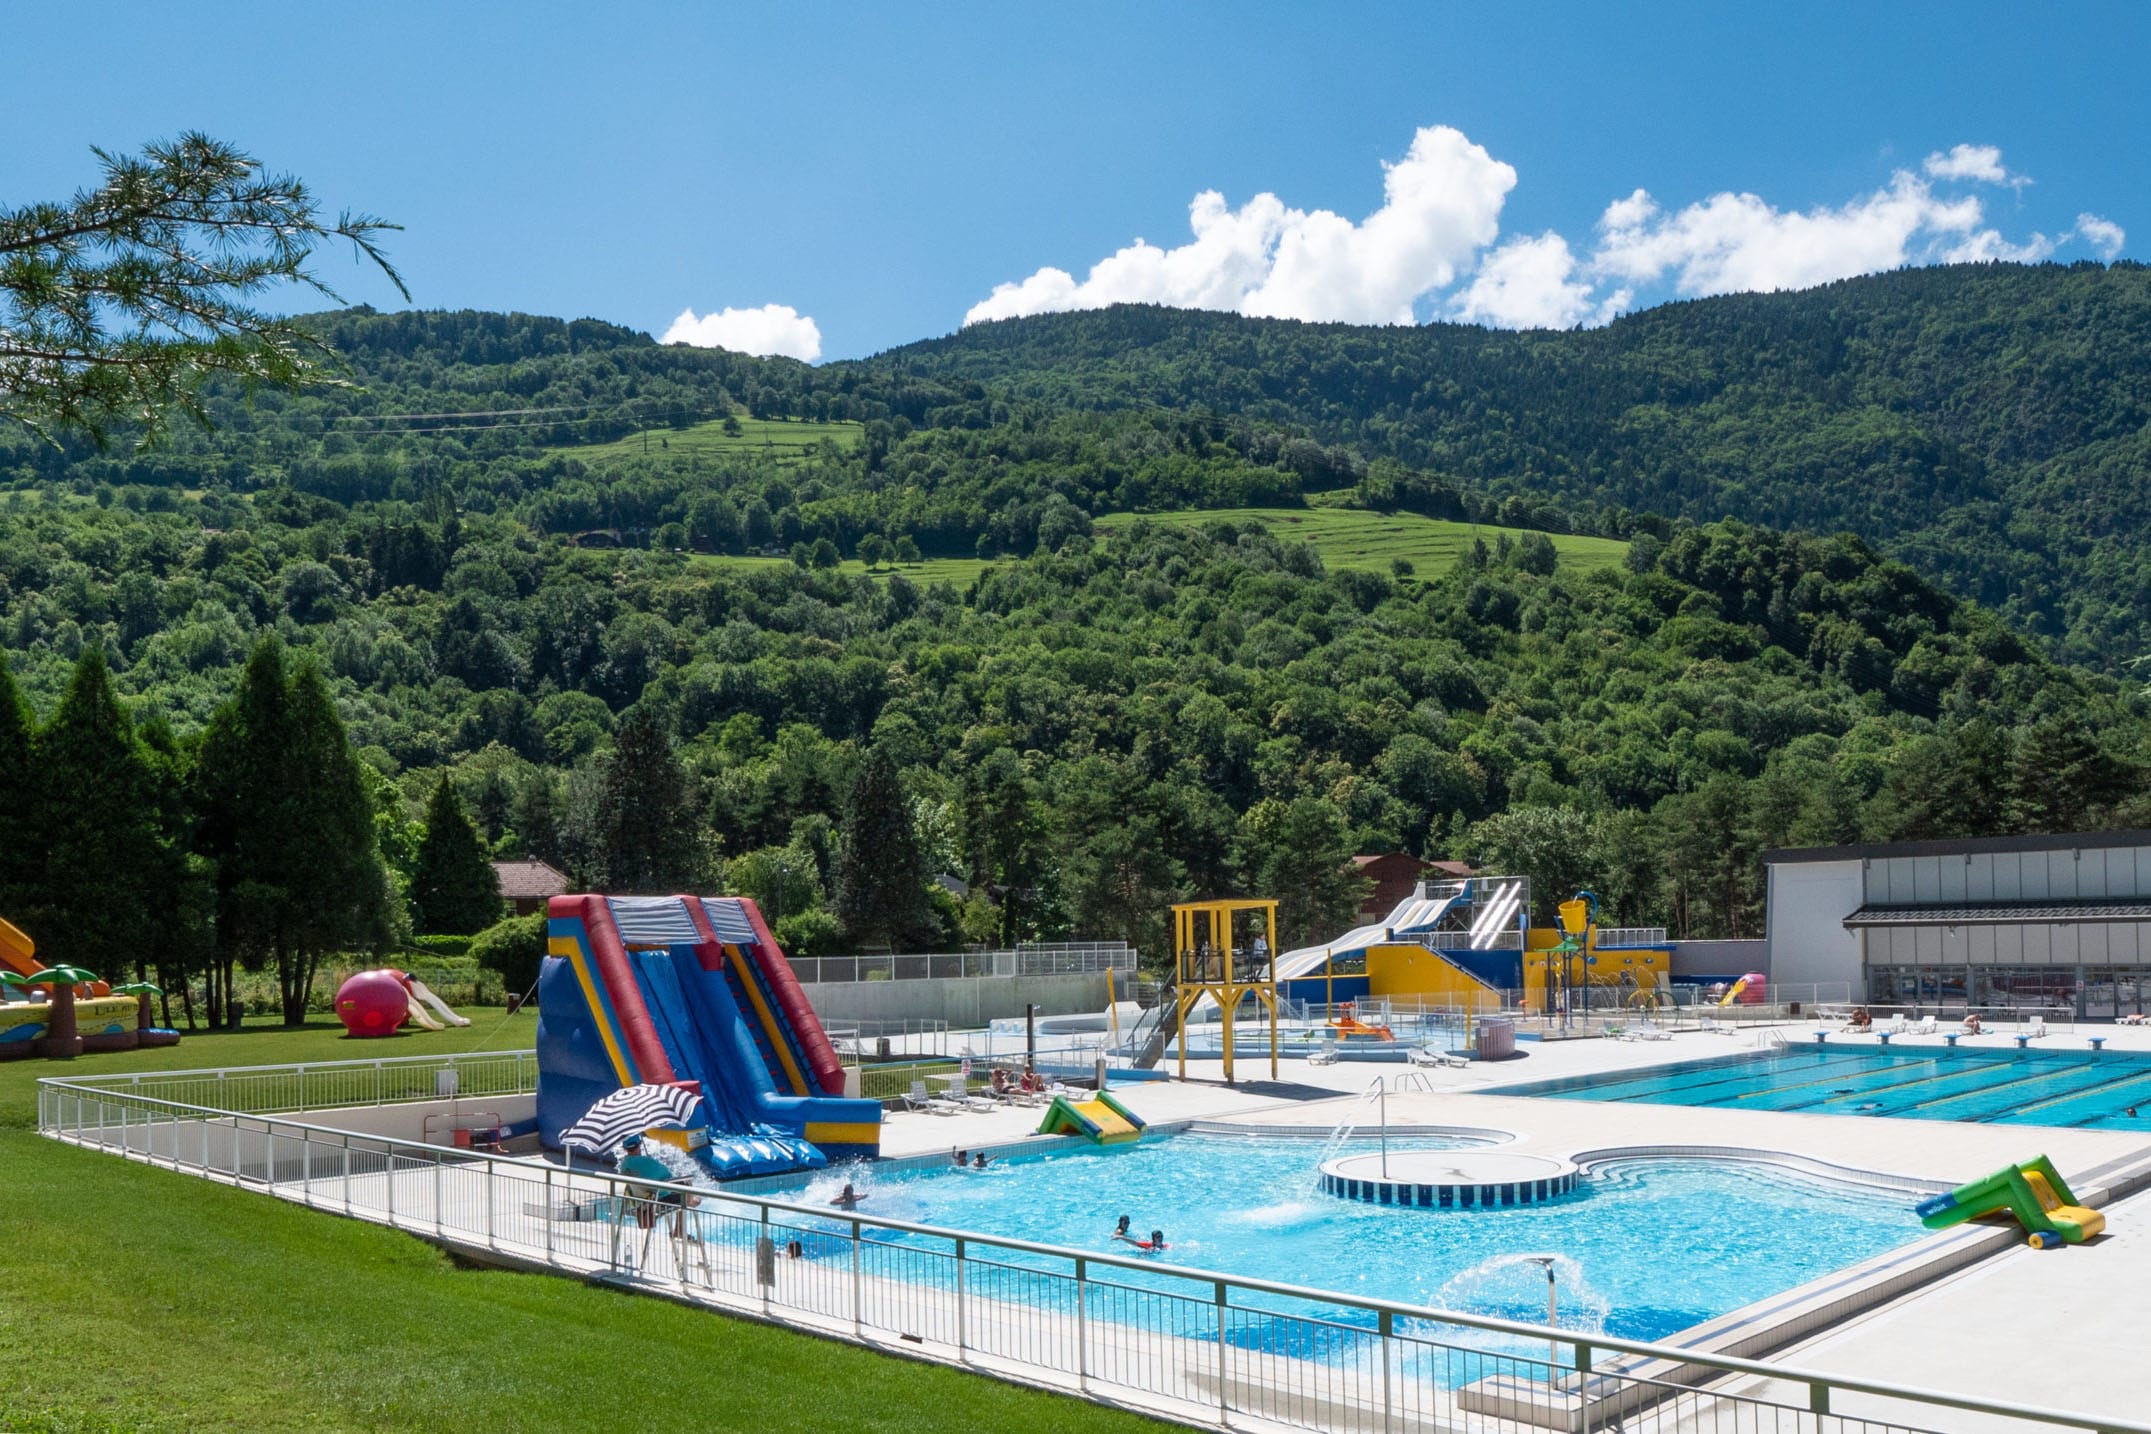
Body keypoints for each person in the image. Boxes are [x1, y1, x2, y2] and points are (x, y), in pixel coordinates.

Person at [617, 1134, 694, 1235]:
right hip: (656, 1202)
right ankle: (679, 1229)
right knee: (689, 1191)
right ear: (639, 1144)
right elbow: (668, 1177)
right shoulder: (648, 1162)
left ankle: (680, 1227)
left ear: (625, 1148)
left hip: (638, 1202)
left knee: (685, 1195)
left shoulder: (624, 1165)